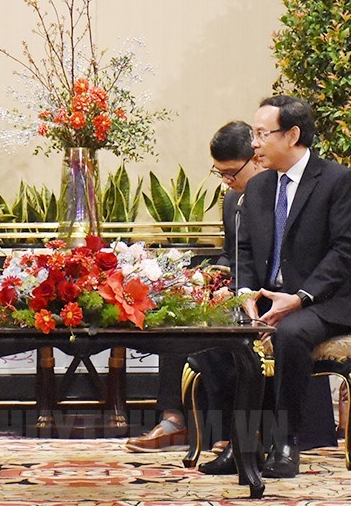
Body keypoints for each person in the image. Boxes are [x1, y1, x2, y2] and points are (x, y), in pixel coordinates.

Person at [232, 94, 351, 479]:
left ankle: (286, 442)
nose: (254, 143)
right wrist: (244, 295)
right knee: (220, 332)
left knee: (289, 334)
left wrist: (300, 297)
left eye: (261, 133)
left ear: (291, 135)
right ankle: (241, 446)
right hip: (266, 299)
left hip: (321, 303)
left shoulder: (338, 181)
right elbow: (242, 248)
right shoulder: (257, 188)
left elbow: (345, 253)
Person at [126, 120, 264, 453]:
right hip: (237, 289)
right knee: (179, 308)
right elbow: (233, 253)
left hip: (267, 295)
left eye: (232, 173)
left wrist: (240, 287)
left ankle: (238, 429)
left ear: (256, 159)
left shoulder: (280, 194)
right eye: (221, 174)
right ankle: (174, 419)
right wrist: (215, 275)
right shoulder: (233, 200)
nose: (228, 182)